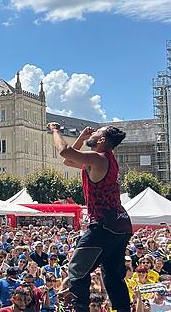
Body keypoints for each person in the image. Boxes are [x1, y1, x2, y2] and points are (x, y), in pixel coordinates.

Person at [48, 123, 131, 312]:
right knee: (112, 275)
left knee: (77, 270)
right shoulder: (104, 160)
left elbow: (64, 151)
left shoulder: (98, 158)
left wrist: (56, 130)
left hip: (104, 224)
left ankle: (80, 308)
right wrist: (82, 138)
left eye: (97, 132)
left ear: (101, 140)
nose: (92, 133)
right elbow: (68, 161)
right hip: (120, 225)